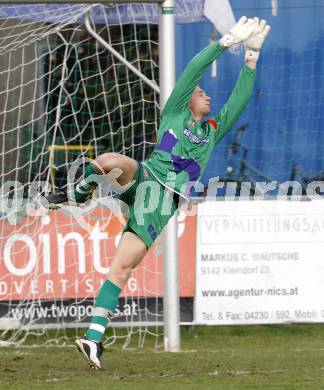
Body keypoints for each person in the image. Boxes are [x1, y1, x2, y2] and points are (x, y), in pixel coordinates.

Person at [45, 16, 270, 370]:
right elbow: (194, 68)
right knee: (109, 161)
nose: (206, 94)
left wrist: (252, 55)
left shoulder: (212, 130)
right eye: (202, 92)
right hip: (145, 177)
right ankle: (78, 192)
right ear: (189, 99)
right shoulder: (176, 110)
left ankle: (92, 338)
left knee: (120, 270)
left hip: (160, 204)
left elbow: (240, 99)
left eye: (205, 93)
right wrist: (225, 42)